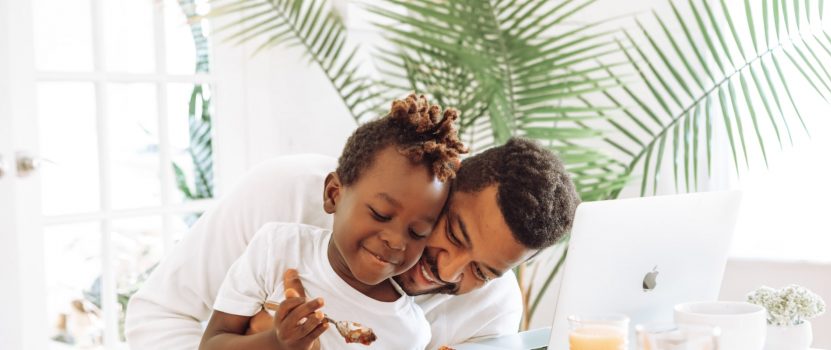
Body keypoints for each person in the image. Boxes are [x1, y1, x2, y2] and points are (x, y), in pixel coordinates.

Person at [126, 108, 580, 350]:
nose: (447, 272)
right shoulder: (285, 198)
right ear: (448, 179)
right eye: (456, 235)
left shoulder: (491, 313)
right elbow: (158, 317)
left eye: (482, 271)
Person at [199, 94, 467, 350]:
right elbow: (211, 343)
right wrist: (276, 343)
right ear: (333, 194)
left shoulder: (409, 333)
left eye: (417, 232)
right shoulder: (277, 249)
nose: (396, 240)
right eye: (380, 214)